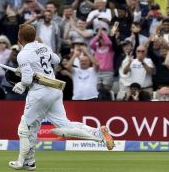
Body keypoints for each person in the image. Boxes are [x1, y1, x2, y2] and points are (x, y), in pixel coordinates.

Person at [8, 24, 114, 170]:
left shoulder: (23, 54)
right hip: (55, 89)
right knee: (65, 125)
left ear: (20, 38)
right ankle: (97, 133)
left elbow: (26, 79)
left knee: (25, 128)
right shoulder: (43, 47)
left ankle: (23, 162)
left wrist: (21, 85)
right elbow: (56, 60)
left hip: (39, 92)